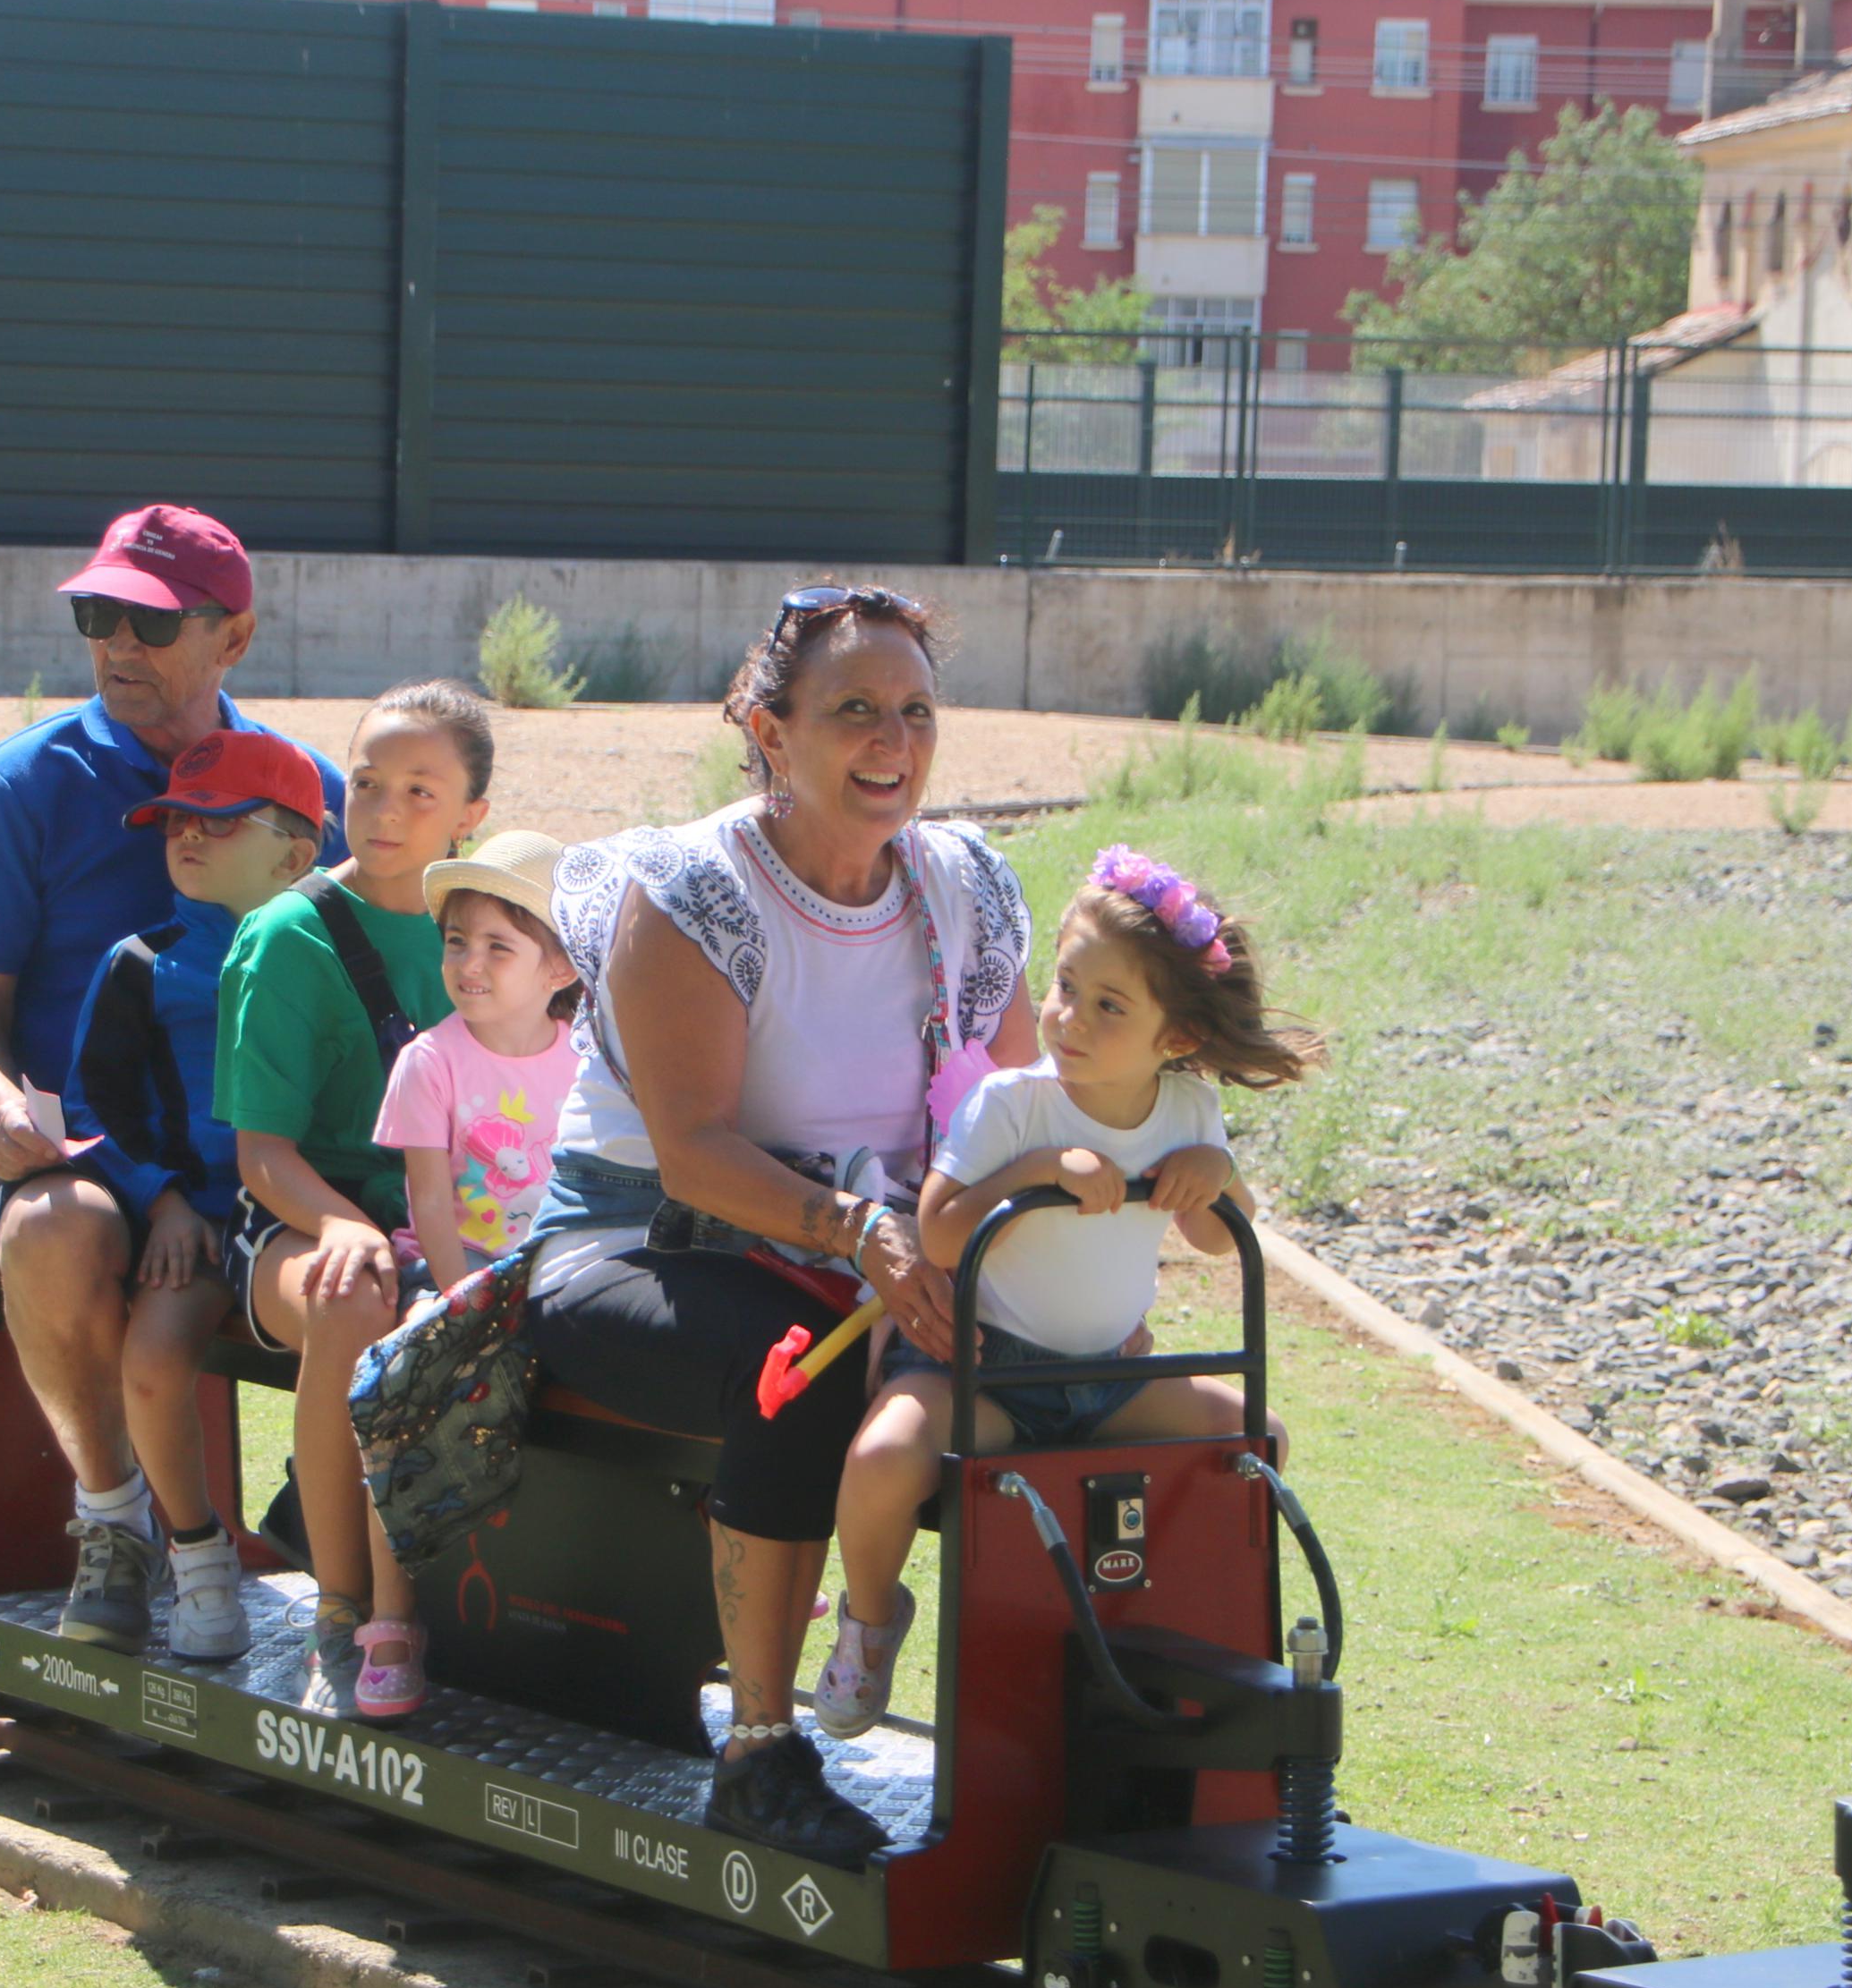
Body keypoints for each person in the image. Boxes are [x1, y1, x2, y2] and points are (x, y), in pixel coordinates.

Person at [525, 585, 1036, 1862]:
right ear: (768, 728)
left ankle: (1065, 1744)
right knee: (792, 1373)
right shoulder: (692, 888)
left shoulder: (961, 882)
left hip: (872, 1248)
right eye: (852, 710)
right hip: (642, 1242)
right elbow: (695, 1154)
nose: (892, 741)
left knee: (1075, 1378)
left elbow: (1018, 1113)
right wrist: (862, 1231)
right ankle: (757, 1750)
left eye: (914, 710)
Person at [0, 505, 342, 1651]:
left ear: (234, 639)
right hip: (78, 1145)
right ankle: (111, 1520)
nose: (115, 644)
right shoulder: (21, 782)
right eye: (96, 614)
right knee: (55, 1228)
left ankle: (344, 1534)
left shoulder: (307, 790)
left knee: (401, 1244)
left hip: (272, 1157)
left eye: (151, 622)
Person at [815, 845, 1319, 1737]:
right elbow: (935, 1231)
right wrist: (1038, 1169)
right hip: (989, 1372)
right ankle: (867, 1619)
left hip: (1108, 1374)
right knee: (881, 1456)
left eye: (1106, 1006)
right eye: (1062, 987)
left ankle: (1197, 1633)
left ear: (1175, 1038)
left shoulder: (1184, 1109)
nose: (1067, 1018)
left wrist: (1215, 1175)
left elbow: (1211, 1238)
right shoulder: (1014, 1106)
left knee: (1257, 1435)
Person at [217, 680, 496, 1715]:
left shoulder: (500, 930)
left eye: (417, 790)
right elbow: (261, 1154)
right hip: (298, 1217)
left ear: (472, 814)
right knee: (354, 1294)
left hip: (462, 1218)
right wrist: (342, 1221)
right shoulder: (287, 937)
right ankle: (341, 1613)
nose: (381, 811)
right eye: (365, 783)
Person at [72, 730, 328, 1662]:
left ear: (296, 854)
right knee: (151, 1359)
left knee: (364, 1342)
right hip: (202, 1224)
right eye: (176, 819)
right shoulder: (140, 962)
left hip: (307, 1218)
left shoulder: (329, 955)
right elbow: (90, 1100)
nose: (187, 836)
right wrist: (163, 1199)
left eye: (218, 821)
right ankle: (197, 1552)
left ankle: (319, 1521)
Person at [377, 829, 582, 1296]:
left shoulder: (585, 1059)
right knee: (441, 1354)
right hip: (453, 1260)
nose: (469, 963)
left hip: (552, 1260)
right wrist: (463, 1306)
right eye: (456, 941)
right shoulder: (429, 1062)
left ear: (560, 969)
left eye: (498, 947)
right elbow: (429, 1204)